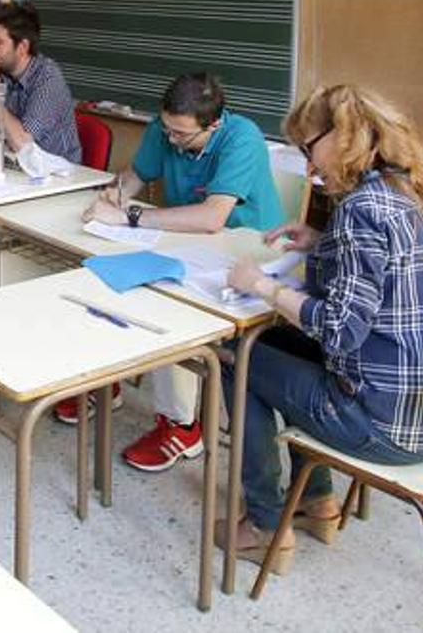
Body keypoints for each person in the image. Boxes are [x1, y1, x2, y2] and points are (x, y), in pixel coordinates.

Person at [216, 84, 423, 569]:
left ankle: (266, 526)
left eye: (309, 150)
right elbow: (378, 277)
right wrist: (319, 241)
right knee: (271, 342)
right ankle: (316, 502)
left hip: (384, 426)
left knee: (237, 355)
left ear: (344, 137)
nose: (309, 168)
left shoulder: (361, 211)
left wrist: (263, 286)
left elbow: (338, 332)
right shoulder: (406, 188)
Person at [79, 72, 283, 472]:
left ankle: (183, 426)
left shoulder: (242, 137)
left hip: (245, 254)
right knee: (118, 278)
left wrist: (131, 216)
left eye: (181, 135)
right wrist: (113, 196)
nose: (171, 139)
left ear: (215, 124)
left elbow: (212, 218)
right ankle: (110, 377)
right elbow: (135, 178)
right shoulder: (165, 127)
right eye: (167, 129)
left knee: (165, 303)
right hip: (182, 244)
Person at [0, 2, 81, 165]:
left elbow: (22, 144)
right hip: (19, 170)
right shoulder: (2, 74)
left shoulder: (48, 79)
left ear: (22, 47)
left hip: (56, 177)